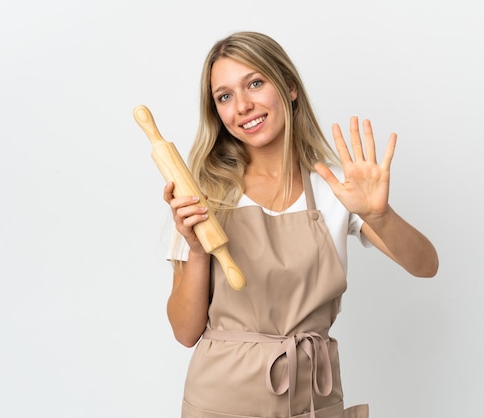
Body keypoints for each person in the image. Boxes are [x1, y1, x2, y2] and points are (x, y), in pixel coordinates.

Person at [163, 31, 438, 418]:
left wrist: (380, 215)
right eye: (224, 96)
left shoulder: (337, 188)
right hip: (221, 401)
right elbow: (184, 332)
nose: (242, 106)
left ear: (289, 87)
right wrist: (195, 248)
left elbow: (426, 266)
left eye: (255, 83)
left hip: (311, 397)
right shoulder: (203, 193)